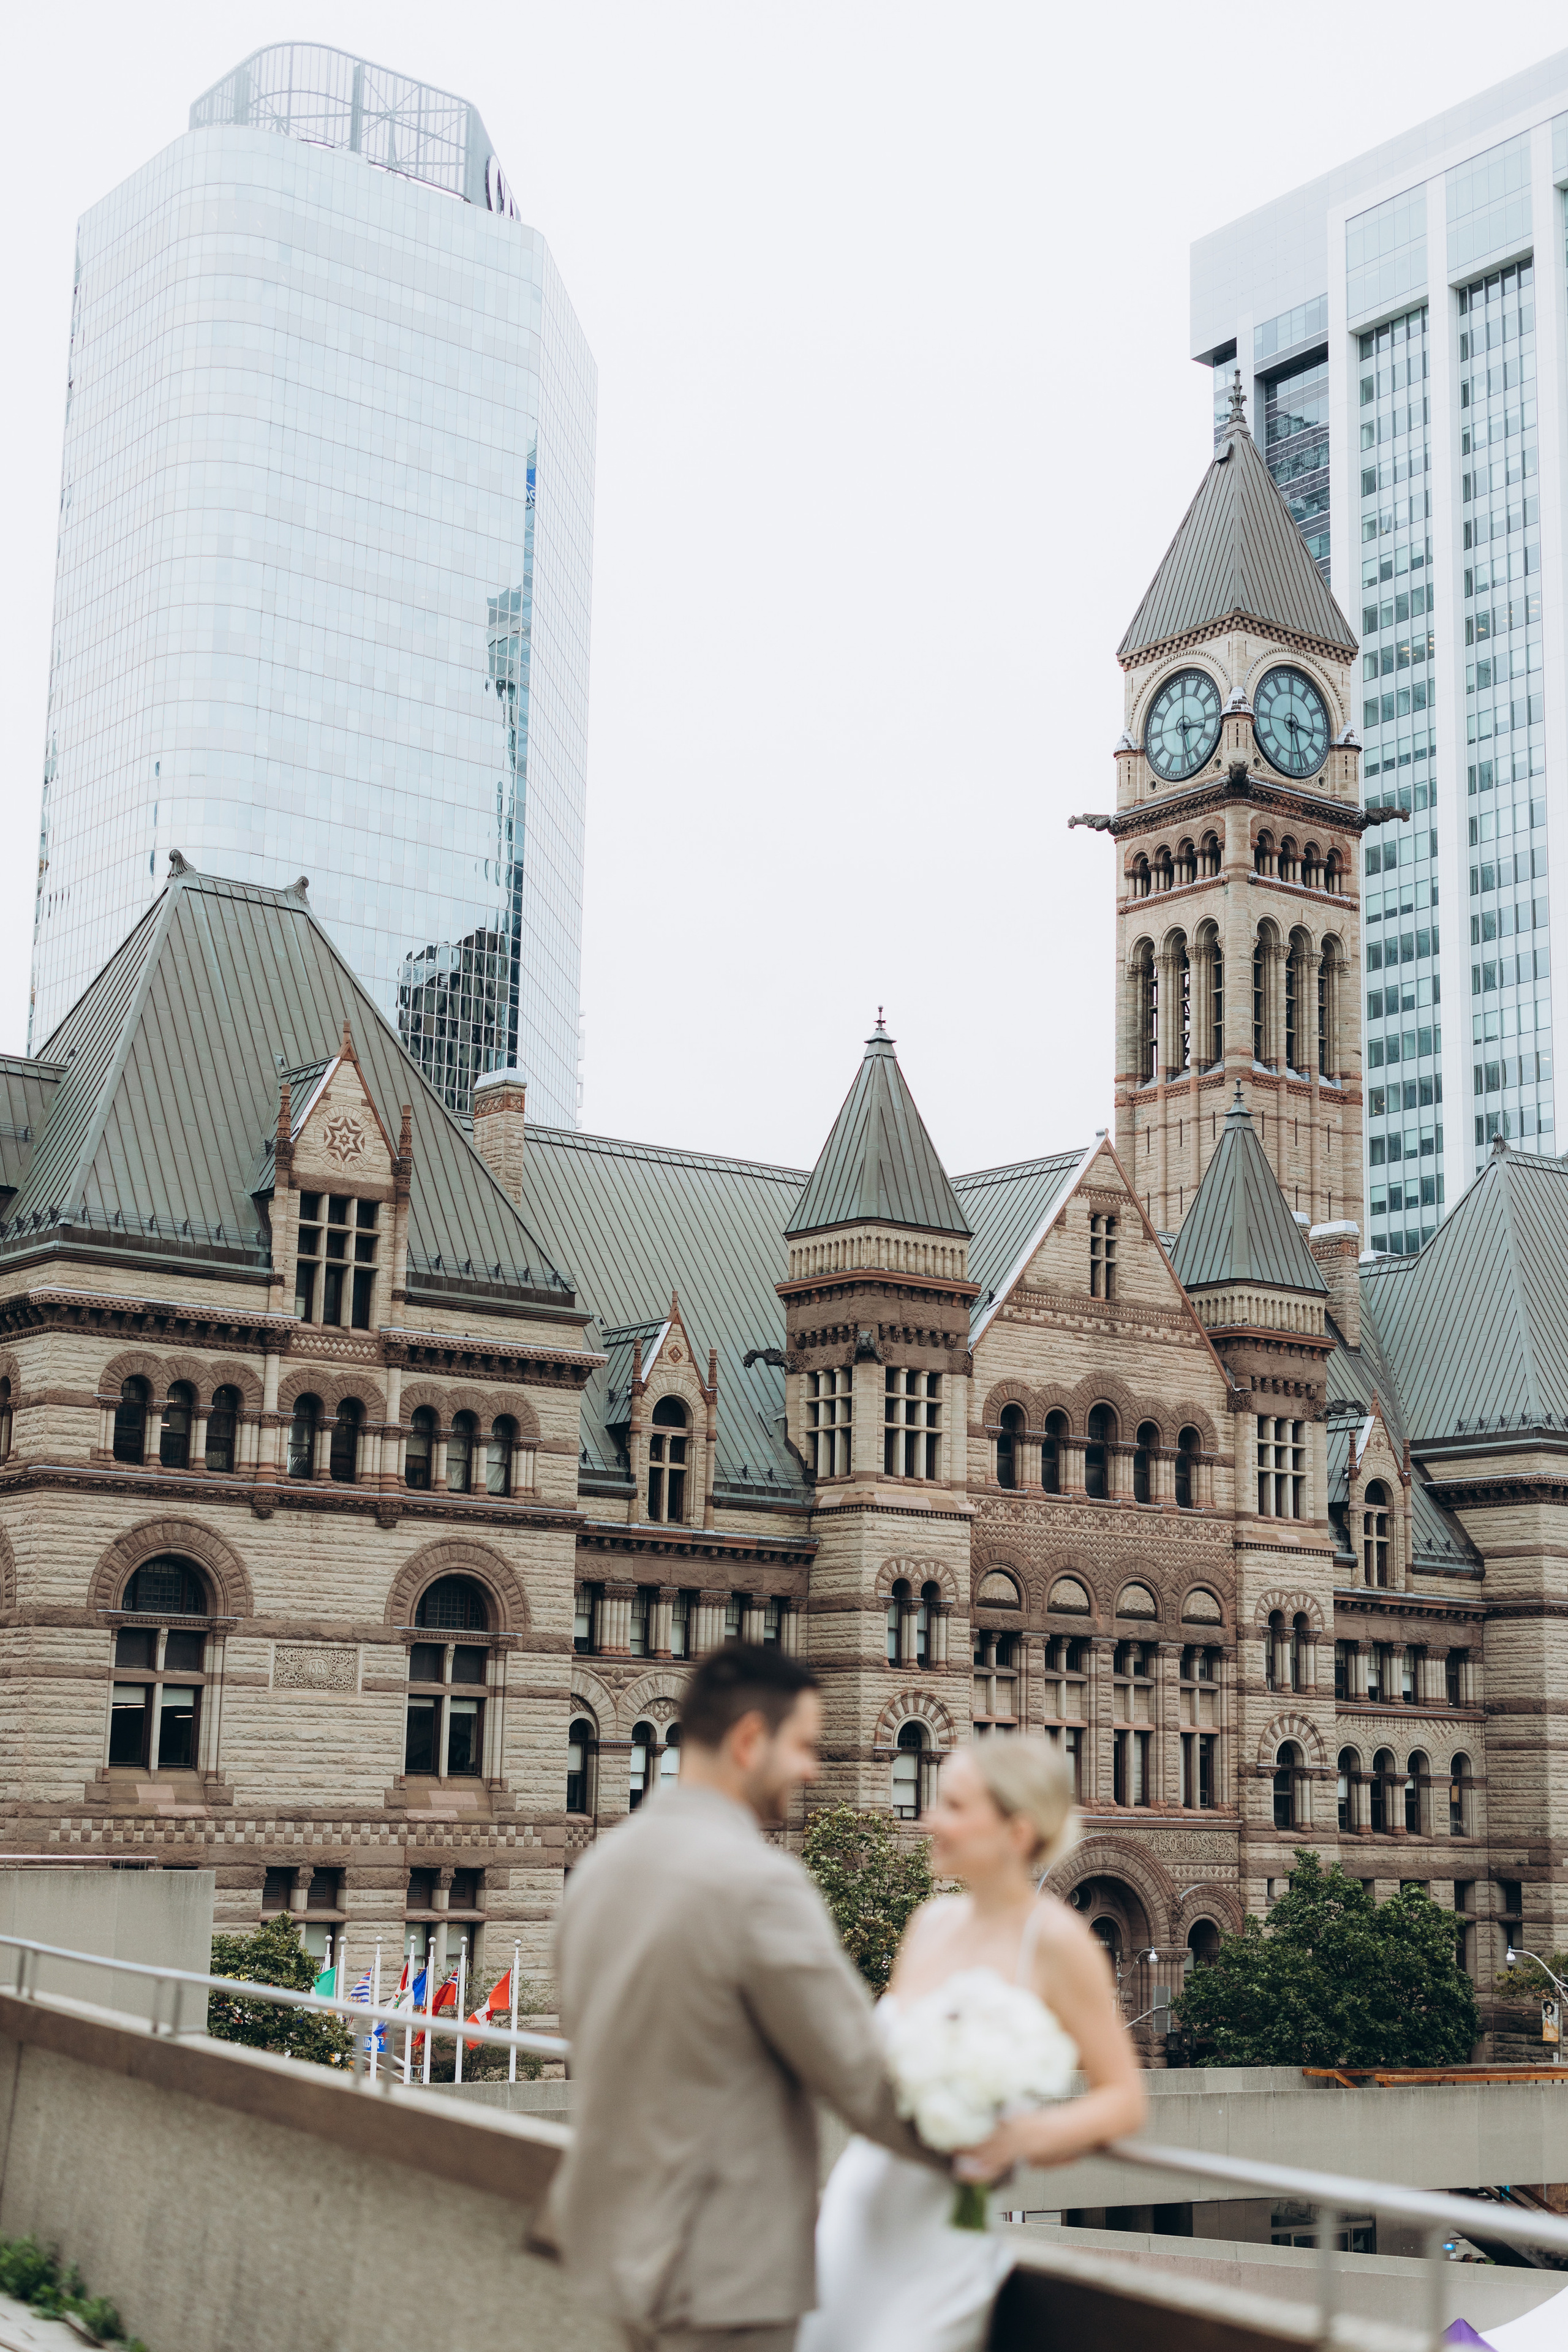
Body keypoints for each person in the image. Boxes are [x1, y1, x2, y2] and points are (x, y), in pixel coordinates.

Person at [548, 1643, 944, 2352]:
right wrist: (990, 2137)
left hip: (614, 2247)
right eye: (802, 1746)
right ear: (749, 1740)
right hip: (722, 2271)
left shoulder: (600, 1867)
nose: (811, 1769)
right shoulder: (759, 1884)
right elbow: (863, 2077)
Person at [798, 1736, 1148, 2352]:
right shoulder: (928, 1923)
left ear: (1015, 1830)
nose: (932, 1818)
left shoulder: (1058, 1943)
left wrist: (1021, 2139)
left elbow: (1123, 2099)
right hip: (861, 2203)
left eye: (955, 1806)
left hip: (947, 2227)